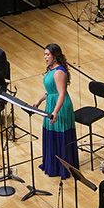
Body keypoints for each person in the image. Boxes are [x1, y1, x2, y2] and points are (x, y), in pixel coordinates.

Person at [33, 43, 80, 179]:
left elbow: (61, 94)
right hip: (52, 103)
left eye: (48, 54)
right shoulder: (51, 69)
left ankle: (62, 168)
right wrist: (39, 100)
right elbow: (50, 91)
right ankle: (52, 164)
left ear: (55, 56)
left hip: (60, 107)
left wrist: (55, 111)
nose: (45, 57)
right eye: (44, 54)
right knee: (50, 134)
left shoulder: (59, 72)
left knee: (59, 136)